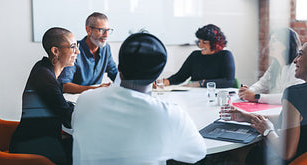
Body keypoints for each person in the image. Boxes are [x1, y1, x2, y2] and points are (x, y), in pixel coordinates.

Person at [72, 32, 206, 165]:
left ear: (119, 68)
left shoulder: (85, 100)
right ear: (158, 75)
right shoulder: (170, 115)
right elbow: (197, 153)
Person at [221, 37, 307, 164]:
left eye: (300, 54)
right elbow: (290, 121)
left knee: (231, 150)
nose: (295, 60)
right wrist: (247, 117)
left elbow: (286, 152)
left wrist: (267, 130)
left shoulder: (295, 94)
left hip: (292, 161)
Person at [10, 27, 78, 165]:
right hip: (33, 147)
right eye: (73, 47)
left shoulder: (44, 68)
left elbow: (58, 105)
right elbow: (67, 118)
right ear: (55, 51)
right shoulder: (45, 77)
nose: (77, 52)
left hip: (40, 139)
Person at [239, 28, 304, 104]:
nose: (269, 44)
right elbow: (261, 84)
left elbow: (289, 97)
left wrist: (256, 97)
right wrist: (248, 91)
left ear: (286, 44)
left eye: (274, 41)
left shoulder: (296, 67)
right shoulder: (275, 65)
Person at [58, 12, 118, 94]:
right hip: (74, 99)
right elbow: (65, 85)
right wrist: (94, 89)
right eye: (102, 30)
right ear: (88, 30)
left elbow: (114, 73)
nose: (106, 35)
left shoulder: (106, 48)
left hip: (96, 97)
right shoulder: (74, 50)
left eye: (108, 30)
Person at [162, 24, 235, 88]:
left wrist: (200, 83)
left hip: (216, 95)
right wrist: (164, 82)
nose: (200, 45)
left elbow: (228, 81)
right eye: (199, 41)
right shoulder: (195, 55)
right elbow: (180, 77)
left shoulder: (225, 55)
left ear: (215, 44)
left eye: (204, 42)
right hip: (196, 95)